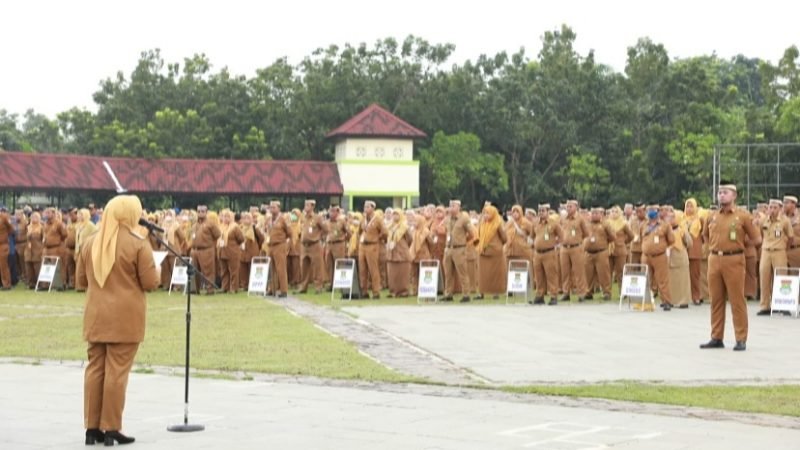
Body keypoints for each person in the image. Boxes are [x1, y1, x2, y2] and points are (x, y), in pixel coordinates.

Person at [76, 195, 160, 446]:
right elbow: (150, 282)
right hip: (125, 318)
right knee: (117, 372)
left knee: (95, 370)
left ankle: (92, 429)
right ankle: (111, 426)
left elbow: (81, 281)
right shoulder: (137, 243)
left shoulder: (90, 242)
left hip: (96, 316)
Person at [700, 182, 760, 351]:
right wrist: (709, 248)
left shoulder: (743, 216)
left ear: (734, 195)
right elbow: (704, 235)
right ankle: (716, 336)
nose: (721, 195)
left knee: (736, 300)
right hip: (714, 258)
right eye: (719, 192)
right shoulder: (711, 215)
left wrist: (741, 244)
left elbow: (756, 239)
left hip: (734, 259)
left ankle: (741, 338)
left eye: (725, 192)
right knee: (716, 300)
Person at [758, 199, 794, 315]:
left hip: (779, 251)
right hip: (766, 251)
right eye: (770, 207)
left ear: (780, 208)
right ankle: (765, 306)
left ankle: (782, 305)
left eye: (775, 208)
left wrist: (784, 247)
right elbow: (760, 233)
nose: (772, 210)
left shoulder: (785, 221)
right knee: (764, 277)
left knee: (781, 278)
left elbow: (790, 237)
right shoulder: (764, 220)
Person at [640, 204, 675, 310]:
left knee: (662, 280)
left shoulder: (665, 225)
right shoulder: (644, 225)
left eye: (653, 210)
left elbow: (672, 240)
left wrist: (664, 249)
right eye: (649, 210)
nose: (651, 212)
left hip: (660, 256)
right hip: (646, 256)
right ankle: (646, 301)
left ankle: (667, 301)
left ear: (658, 212)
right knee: (646, 279)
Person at [442, 200, 476, 302]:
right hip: (448, 248)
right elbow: (446, 232)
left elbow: (471, 234)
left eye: (453, 205)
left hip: (459, 249)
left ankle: (466, 294)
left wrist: (463, 242)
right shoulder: (447, 219)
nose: (451, 207)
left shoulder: (464, 218)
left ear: (459, 207)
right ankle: (448, 294)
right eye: (450, 205)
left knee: (462, 273)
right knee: (448, 273)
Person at [559, 200, 590, 301]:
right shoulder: (563, 219)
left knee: (579, 271)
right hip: (564, 248)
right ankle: (565, 292)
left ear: (576, 207)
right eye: (567, 207)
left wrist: (578, 240)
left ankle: (582, 292)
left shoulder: (580, 219)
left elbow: (586, 233)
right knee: (565, 272)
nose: (568, 208)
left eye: (570, 206)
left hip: (576, 247)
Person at [531, 204, 562, 305]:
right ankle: (540, 295)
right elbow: (532, 236)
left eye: (543, 211)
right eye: (539, 211)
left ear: (548, 212)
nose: (540, 213)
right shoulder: (535, 223)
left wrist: (557, 245)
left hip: (549, 252)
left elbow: (561, 235)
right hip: (538, 253)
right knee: (539, 276)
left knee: (551, 275)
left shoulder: (553, 223)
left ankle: (553, 296)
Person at [476, 202, 507, 300]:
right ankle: (482, 293)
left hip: (495, 253)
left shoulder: (497, 223)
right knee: (483, 275)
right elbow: (478, 236)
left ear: (493, 213)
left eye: (487, 213)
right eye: (484, 213)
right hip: (483, 252)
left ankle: (496, 293)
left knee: (495, 275)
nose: (485, 215)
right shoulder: (482, 224)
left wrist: (496, 245)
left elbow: (504, 238)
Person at [584, 207, 616, 301]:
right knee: (588, 274)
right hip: (588, 252)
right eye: (593, 213)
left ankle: (606, 292)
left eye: (596, 213)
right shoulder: (587, 224)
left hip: (601, 252)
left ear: (601, 214)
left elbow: (613, 237)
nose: (594, 215)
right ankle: (588, 292)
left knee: (604, 273)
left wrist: (604, 242)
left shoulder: (605, 224)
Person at [358, 201, 388, 299]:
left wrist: (377, 238)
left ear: (373, 208)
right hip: (363, 246)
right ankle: (364, 291)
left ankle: (376, 292)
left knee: (373, 269)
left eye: (367, 207)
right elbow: (359, 231)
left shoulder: (378, 219)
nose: (365, 208)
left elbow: (385, 232)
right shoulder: (363, 219)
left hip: (373, 246)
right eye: (364, 206)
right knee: (362, 270)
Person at [297, 200, 328, 294]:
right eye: (305, 205)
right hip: (304, 246)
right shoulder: (302, 218)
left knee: (317, 267)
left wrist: (318, 236)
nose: (305, 207)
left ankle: (318, 287)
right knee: (304, 267)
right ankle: (303, 286)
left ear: (312, 207)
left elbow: (326, 229)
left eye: (307, 205)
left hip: (314, 245)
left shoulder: (317, 218)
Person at [190, 205, 221, 295]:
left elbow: (218, 235)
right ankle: (196, 289)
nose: (200, 213)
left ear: (206, 212)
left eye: (203, 211)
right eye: (199, 211)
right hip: (195, 250)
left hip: (206, 249)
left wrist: (210, 244)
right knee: (195, 271)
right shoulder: (194, 225)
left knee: (208, 271)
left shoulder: (211, 223)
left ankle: (209, 289)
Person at [667, 210, 692, 308]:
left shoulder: (682, 230)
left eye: (672, 217)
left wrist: (685, 235)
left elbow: (689, 243)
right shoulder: (666, 229)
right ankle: (671, 300)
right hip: (670, 257)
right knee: (671, 280)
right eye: (669, 217)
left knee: (683, 281)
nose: (670, 219)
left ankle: (683, 301)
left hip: (681, 257)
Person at [386, 209, 413, 297]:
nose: (395, 216)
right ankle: (393, 291)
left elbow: (410, 239)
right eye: (394, 214)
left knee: (403, 273)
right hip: (391, 252)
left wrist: (402, 245)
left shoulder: (404, 226)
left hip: (402, 252)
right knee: (392, 273)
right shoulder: (389, 226)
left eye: (397, 214)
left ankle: (403, 292)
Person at [683, 199, 705, 305]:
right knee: (684, 275)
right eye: (688, 206)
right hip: (683, 250)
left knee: (695, 275)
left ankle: (696, 296)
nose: (689, 209)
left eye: (692, 206)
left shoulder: (699, 220)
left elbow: (704, 234)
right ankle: (685, 296)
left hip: (695, 250)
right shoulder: (682, 219)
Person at [219, 210, 245, 293]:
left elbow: (241, 239)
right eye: (224, 216)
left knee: (233, 271)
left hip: (233, 252)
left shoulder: (235, 227)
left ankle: (233, 288)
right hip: (222, 251)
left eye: (227, 216)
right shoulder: (221, 227)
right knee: (224, 271)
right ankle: (225, 287)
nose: (225, 218)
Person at [324, 206, 350, 290]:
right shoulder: (327, 222)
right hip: (329, 245)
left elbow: (348, 232)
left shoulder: (342, 221)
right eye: (330, 211)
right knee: (329, 265)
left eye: (333, 211)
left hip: (339, 244)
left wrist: (344, 240)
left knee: (340, 265)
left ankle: (342, 285)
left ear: (337, 212)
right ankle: (332, 284)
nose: (331, 213)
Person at [25, 212, 44, 289]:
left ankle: (40, 284)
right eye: (32, 217)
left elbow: (43, 239)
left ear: (39, 218)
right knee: (28, 267)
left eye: (36, 217)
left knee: (38, 267)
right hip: (28, 250)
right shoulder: (28, 227)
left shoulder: (41, 227)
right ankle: (31, 283)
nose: (33, 218)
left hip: (38, 249)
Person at [0, 206, 12, 289]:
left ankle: (6, 284)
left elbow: (11, 228)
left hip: (3, 244)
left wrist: (5, 237)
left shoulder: (4, 217)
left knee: (3, 265)